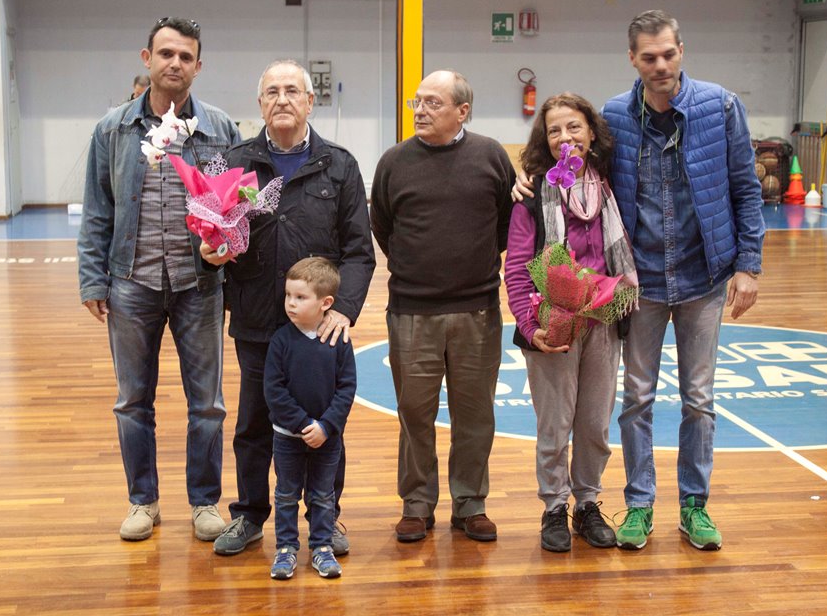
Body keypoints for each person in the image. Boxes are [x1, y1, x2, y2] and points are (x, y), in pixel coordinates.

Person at [514, 10, 765, 551]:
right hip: (639, 283)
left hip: (704, 276)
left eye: (668, 53)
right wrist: (526, 176)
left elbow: (746, 188)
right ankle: (638, 505)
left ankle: (695, 506)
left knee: (699, 399)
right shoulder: (615, 118)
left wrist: (749, 264)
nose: (660, 65)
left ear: (682, 50)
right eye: (648, 57)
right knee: (636, 399)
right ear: (632, 59)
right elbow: (571, 164)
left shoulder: (720, 106)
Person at [77, 17, 241, 542]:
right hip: (131, 282)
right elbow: (97, 212)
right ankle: (143, 501)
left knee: (208, 403)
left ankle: (204, 502)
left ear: (198, 66)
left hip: (200, 286)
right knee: (131, 400)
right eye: (165, 54)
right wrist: (92, 280)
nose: (175, 64)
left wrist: (227, 248)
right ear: (146, 59)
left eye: (185, 56)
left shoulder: (219, 128)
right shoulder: (112, 129)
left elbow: (237, 207)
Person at [205, 60, 375, 558]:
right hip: (257, 321)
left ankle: (327, 517)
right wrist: (211, 251)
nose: (282, 99)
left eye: (292, 91)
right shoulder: (231, 162)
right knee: (255, 423)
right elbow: (213, 236)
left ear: (309, 101)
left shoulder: (339, 164)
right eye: (272, 92)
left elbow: (360, 251)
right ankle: (250, 516)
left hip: (319, 331)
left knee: (326, 423)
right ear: (259, 104)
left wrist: (342, 309)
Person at [370, 70, 515, 544]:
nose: (420, 111)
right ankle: (417, 503)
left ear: (462, 111)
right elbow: (383, 227)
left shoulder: (491, 156)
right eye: (417, 102)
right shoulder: (394, 161)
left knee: (475, 413)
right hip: (412, 310)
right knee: (415, 411)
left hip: (477, 310)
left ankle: (470, 502)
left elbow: (505, 228)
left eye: (433, 103)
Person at [504, 92, 637, 553]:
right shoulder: (532, 193)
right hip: (553, 327)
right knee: (555, 425)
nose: (565, 137)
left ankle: (587, 504)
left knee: (595, 425)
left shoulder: (611, 186)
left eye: (574, 127)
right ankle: (554, 507)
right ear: (544, 138)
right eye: (555, 130)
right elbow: (518, 265)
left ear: (592, 133)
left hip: (602, 321)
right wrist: (530, 325)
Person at [265, 257, 356, 581]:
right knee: (287, 494)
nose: (291, 303)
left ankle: (321, 546)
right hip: (288, 438)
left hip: (327, 438)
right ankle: (286, 548)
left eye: (300, 297)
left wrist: (326, 426)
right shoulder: (280, 341)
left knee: (322, 494)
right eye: (289, 295)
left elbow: (347, 390)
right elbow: (274, 392)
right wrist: (305, 425)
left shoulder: (339, 341)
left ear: (325, 303)